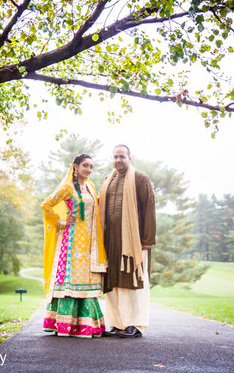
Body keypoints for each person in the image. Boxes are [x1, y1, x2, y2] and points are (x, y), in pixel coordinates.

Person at [41, 154, 107, 338]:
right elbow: (46, 205)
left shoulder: (91, 186)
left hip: (89, 244)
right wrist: (61, 222)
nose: (88, 170)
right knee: (71, 283)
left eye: (91, 166)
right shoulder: (67, 187)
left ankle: (87, 325)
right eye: (85, 165)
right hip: (70, 243)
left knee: (87, 281)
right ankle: (66, 325)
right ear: (75, 166)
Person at [99, 144, 156, 338]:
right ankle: (117, 324)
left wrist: (147, 239)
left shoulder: (140, 179)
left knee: (133, 281)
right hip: (111, 239)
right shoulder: (108, 180)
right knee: (113, 281)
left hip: (134, 240)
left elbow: (149, 208)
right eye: (115, 157)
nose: (118, 160)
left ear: (129, 158)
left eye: (122, 156)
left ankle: (134, 324)